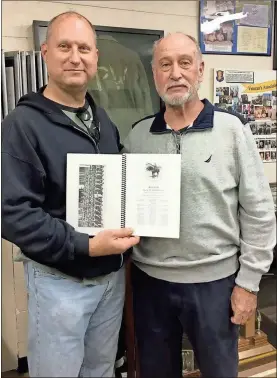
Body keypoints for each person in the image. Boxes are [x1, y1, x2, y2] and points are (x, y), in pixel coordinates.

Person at [123, 33, 276, 378]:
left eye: (184, 63)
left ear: (200, 70)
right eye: (165, 64)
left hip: (216, 286)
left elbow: (259, 212)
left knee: (220, 372)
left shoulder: (232, 131)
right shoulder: (138, 137)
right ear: (155, 74)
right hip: (151, 284)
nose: (175, 73)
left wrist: (249, 283)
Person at [1, 11, 140, 377]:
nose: (75, 57)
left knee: (100, 371)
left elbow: (117, 183)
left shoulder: (102, 120)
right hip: (60, 283)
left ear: (95, 58)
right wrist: (86, 245)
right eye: (65, 46)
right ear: (46, 53)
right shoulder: (22, 125)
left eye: (84, 48)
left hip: (110, 281)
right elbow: (11, 212)